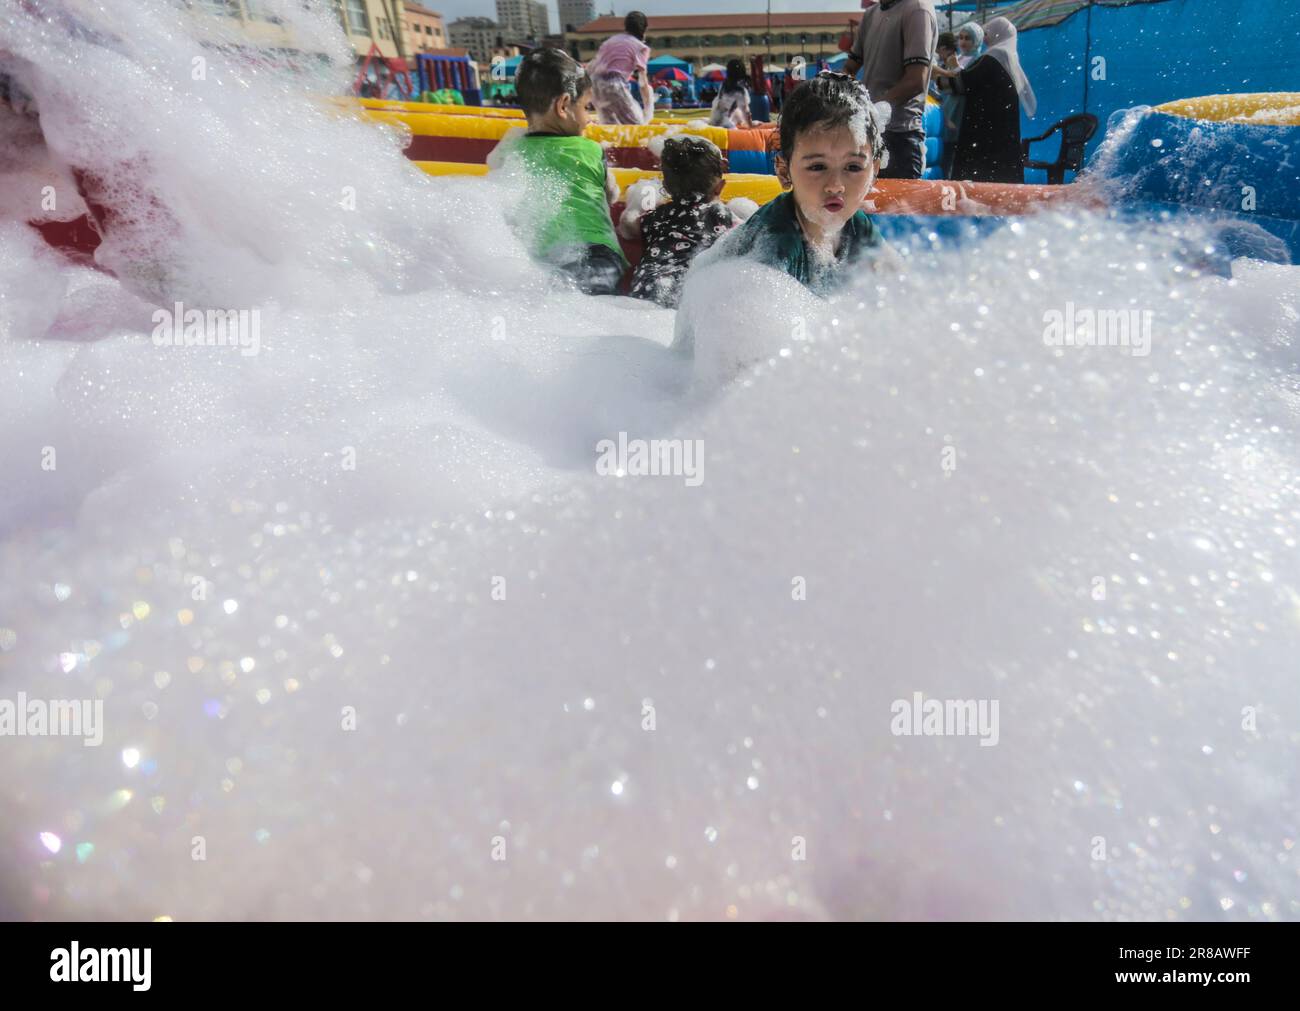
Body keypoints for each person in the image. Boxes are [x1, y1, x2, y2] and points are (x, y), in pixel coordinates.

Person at [692, 72, 893, 296]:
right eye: (817, 167)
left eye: (853, 167)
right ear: (783, 170)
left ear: (874, 170)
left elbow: (901, 285)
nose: (836, 186)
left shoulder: (856, 225)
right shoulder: (775, 246)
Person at [494, 49, 625, 294]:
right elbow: (611, 196)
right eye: (586, 107)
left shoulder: (508, 153)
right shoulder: (590, 149)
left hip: (533, 259)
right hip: (595, 256)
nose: (589, 118)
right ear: (564, 105)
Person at [621, 136, 736, 307]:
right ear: (720, 187)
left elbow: (628, 228)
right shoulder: (721, 214)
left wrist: (635, 209)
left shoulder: (657, 216)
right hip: (692, 292)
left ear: (666, 187)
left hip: (648, 289)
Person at [933, 17, 1036, 183]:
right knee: (1000, 174)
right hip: (1000, 128)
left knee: (980, 174)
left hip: (985, 128)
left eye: (988, 33)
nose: (985, 36)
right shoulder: (1008, 57)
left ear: (998, 34)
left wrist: (937, 78)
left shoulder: (994, 57)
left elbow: (964, 83)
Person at [843, 0, 938, 180]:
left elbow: (916, 80)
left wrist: (872, 111)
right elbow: (849, 68)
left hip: (900, 137)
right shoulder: (871, 14)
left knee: (898, 208)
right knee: (864, 206)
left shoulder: (917, 9)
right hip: (867, 135)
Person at [587, 11, 653, 125]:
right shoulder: (641, 47)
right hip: (614, 85)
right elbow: (643, 84)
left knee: (610, 130)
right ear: (644, 29)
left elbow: (592, 67)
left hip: (595, 85)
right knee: (635, 128)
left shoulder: (610, 41)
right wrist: (648, 108)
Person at [931, 31, 962, 177]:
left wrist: (940, 78)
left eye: (939, 49)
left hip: (954, 111)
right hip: (948, 109)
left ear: (945, 48)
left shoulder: (956, 62)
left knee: (949, 154)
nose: (938, 53)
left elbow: (954, 84)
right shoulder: (947, 63)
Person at [709, 59, 752, 128]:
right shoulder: (740, 90)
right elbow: (746, 111)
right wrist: (751, 126)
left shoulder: (723, 85)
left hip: (714, 120)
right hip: (726, 124)